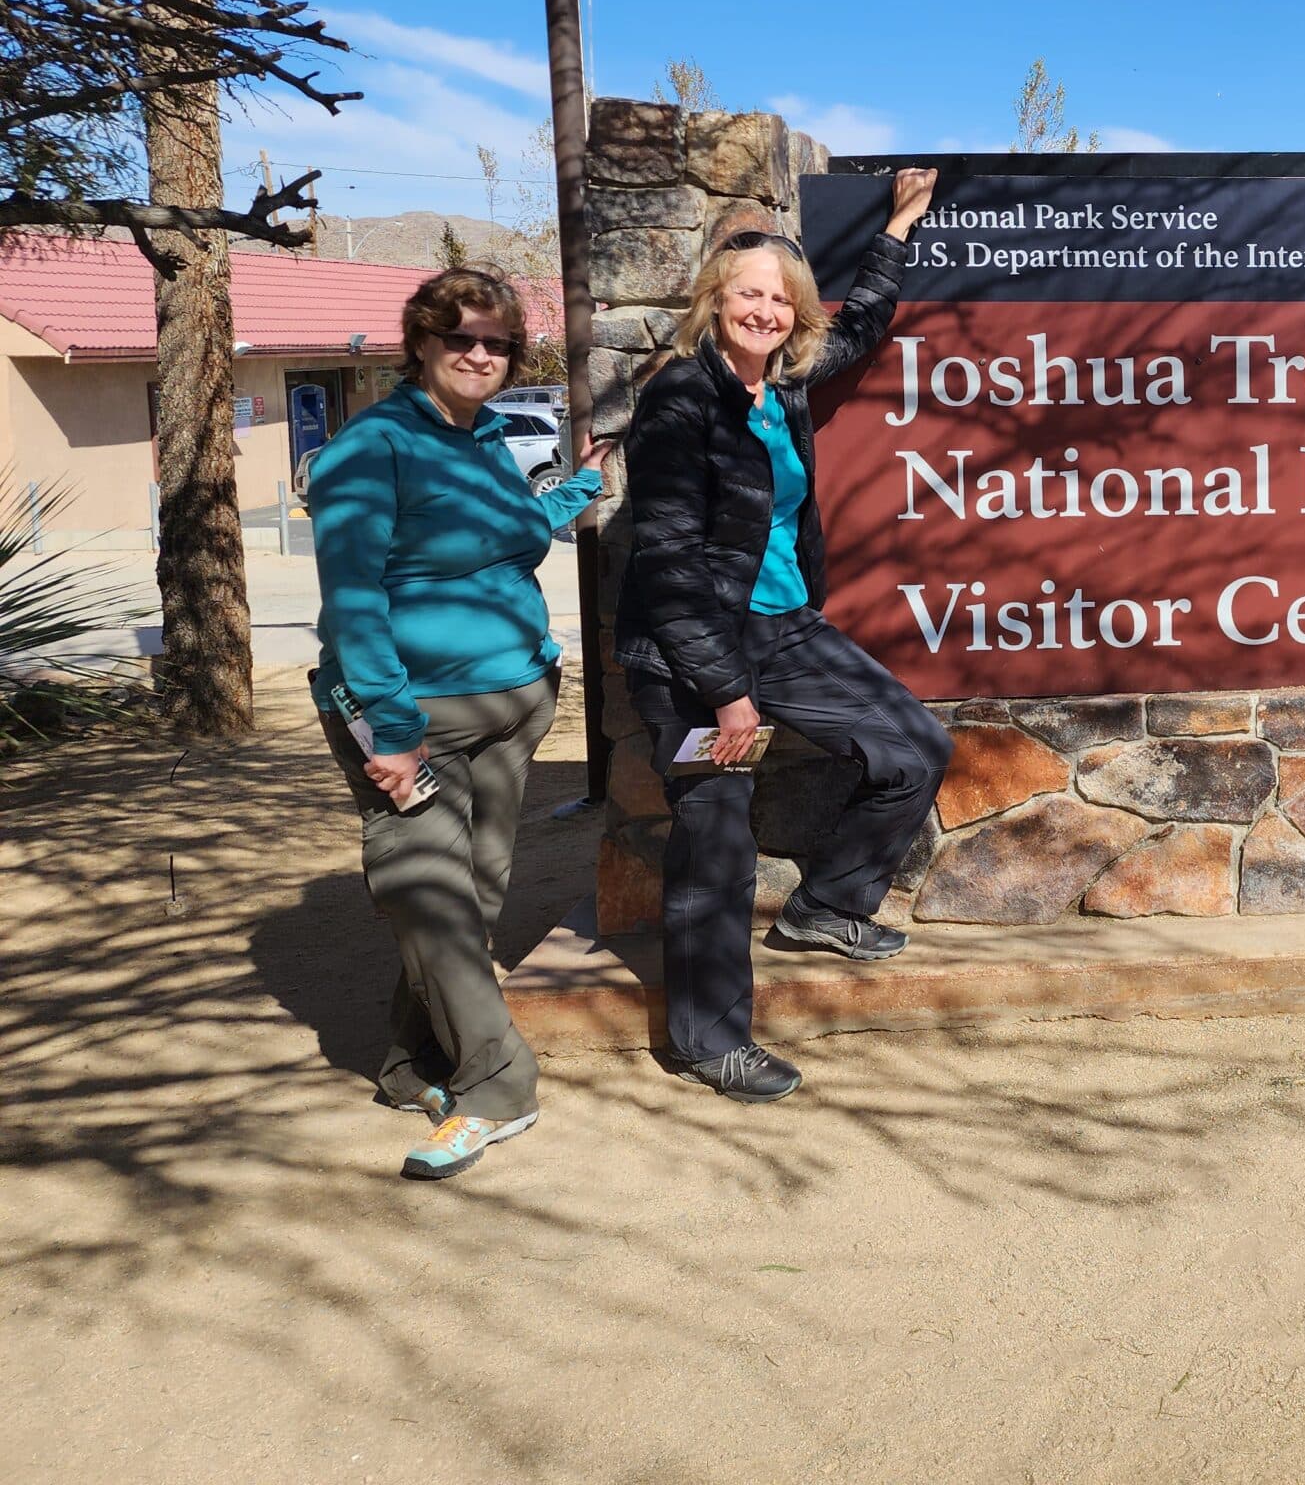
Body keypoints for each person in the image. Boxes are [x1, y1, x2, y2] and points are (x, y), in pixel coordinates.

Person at [618, 172, 951, 1104]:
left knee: (914, 745)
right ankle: (709, 1042)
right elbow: (672, 570)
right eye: (747, 294)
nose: (763, 310)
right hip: (692, 657)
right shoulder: (681, 401)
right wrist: (727, 695)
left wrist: (897, 229)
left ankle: (828, 905)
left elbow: (861, 328)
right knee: (716, 834)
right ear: (713, 302)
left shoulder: (782, 385)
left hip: (787, 627)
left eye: (778, 297)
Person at [309, 267, 610, 1181]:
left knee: (472, 898)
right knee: (424, 893)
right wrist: (391, 733)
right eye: (461, 339)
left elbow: (512, 532)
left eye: (498, 343)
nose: (481, 355)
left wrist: (576, 490)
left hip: (513, 704)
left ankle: (413, 1062)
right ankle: (498, 1083)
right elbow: (354, 599)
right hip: (416, 718)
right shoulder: (373, 447)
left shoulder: (481, 439)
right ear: (423, 344)